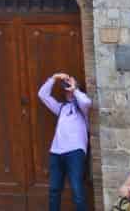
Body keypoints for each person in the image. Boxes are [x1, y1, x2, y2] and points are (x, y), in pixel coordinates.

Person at [38, 72, 93, 211]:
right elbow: (42, 95)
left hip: (75, 152)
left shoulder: (82, 108)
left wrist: (75, 89)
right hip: (56, 152)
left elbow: (87, 102)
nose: (67, 87)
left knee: (77, 191)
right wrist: (54, 77)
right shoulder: (61, 107)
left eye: (70, 84)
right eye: (66, 85)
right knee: (54, 190)